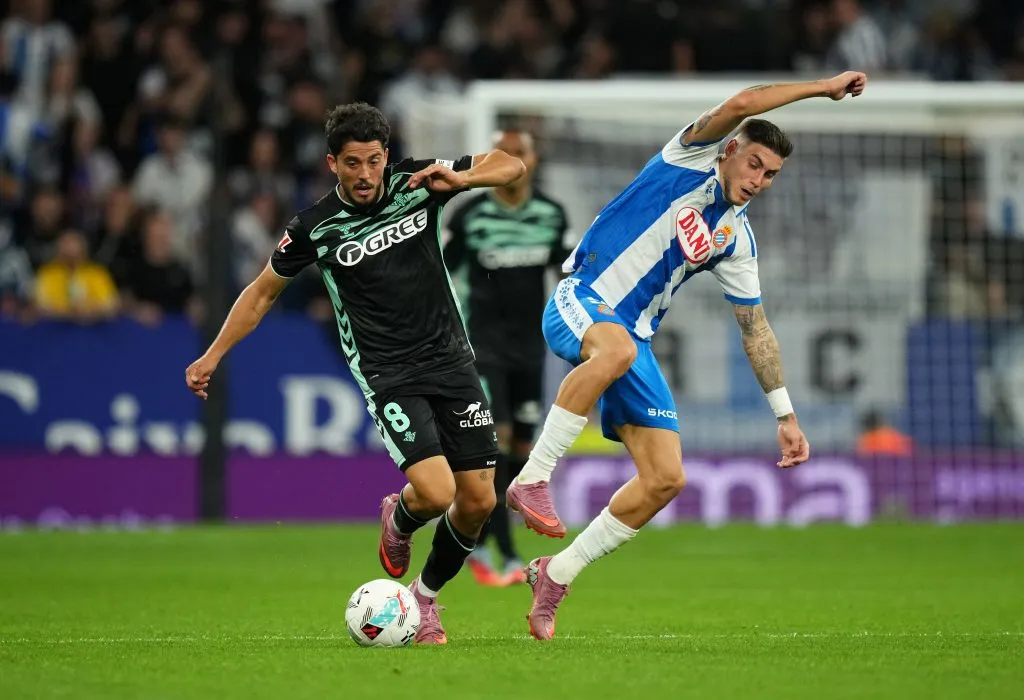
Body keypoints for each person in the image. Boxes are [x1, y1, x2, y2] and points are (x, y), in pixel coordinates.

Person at [506, 72, 868, 640]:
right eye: (754, 165)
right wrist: (824, 88)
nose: (759, 180)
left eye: (771, 175)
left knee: (666, 479)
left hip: (631, 343)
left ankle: (557, 573)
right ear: (729, 151)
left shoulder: (736, 240)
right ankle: (532, 478)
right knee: (618, 348)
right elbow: (746, 101)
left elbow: (757, 330)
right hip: (581, 298)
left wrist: (786, 415)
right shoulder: (688, 156)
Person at [184, 102, 525, 645]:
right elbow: (261, 293)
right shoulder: (315, 227)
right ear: (331, 164)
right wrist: (213, 354)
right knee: (437, 494)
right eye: (352, 163)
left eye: (372, 161)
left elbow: (511, 165)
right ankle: (402, 517)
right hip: (387, 370)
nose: (365, 175)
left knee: (480, 499)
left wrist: (461, 176)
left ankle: (425, 601)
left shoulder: (418, 181)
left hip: (452, 358)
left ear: (386, 156)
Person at [444, 129, 571, 586]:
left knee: (520, 444)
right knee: (493, 443)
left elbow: (570, 274)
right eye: (506, 153)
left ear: (532, 161)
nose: (513, 161)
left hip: (530, 347)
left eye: (520, 153)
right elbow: (442, 269)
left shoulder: (551, 216)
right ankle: (509, 552)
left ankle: (479, 532)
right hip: (482, 345)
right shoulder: (471, 215)